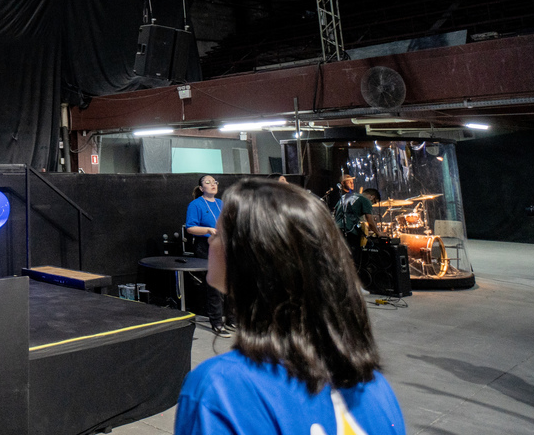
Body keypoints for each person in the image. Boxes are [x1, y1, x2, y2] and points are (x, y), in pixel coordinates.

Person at [174, 178, 407, 435]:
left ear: (252, 255)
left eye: (220, 233)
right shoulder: (374, 386)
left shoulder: (219, 391)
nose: (211, 241)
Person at [185, 174, 230, 338]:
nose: (213, 184)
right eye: (208, 182)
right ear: (201, 188)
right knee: (214, 285)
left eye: (214, 182)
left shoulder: (220, 203)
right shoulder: (195, 205)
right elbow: (190, 228)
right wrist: (208, 230)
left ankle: (230, 319)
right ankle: (217, 322)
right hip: (206, 246)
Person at [333, 175, 380, 265]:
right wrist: (378, 233)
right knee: (354, 261)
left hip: (336, 231)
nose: (372, 204)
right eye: (374, 202)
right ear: (372, 197)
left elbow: (335, 213)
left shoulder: (344, 197)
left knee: (340, 261)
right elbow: (369, 220)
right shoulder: (365, 200)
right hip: (350, 232)